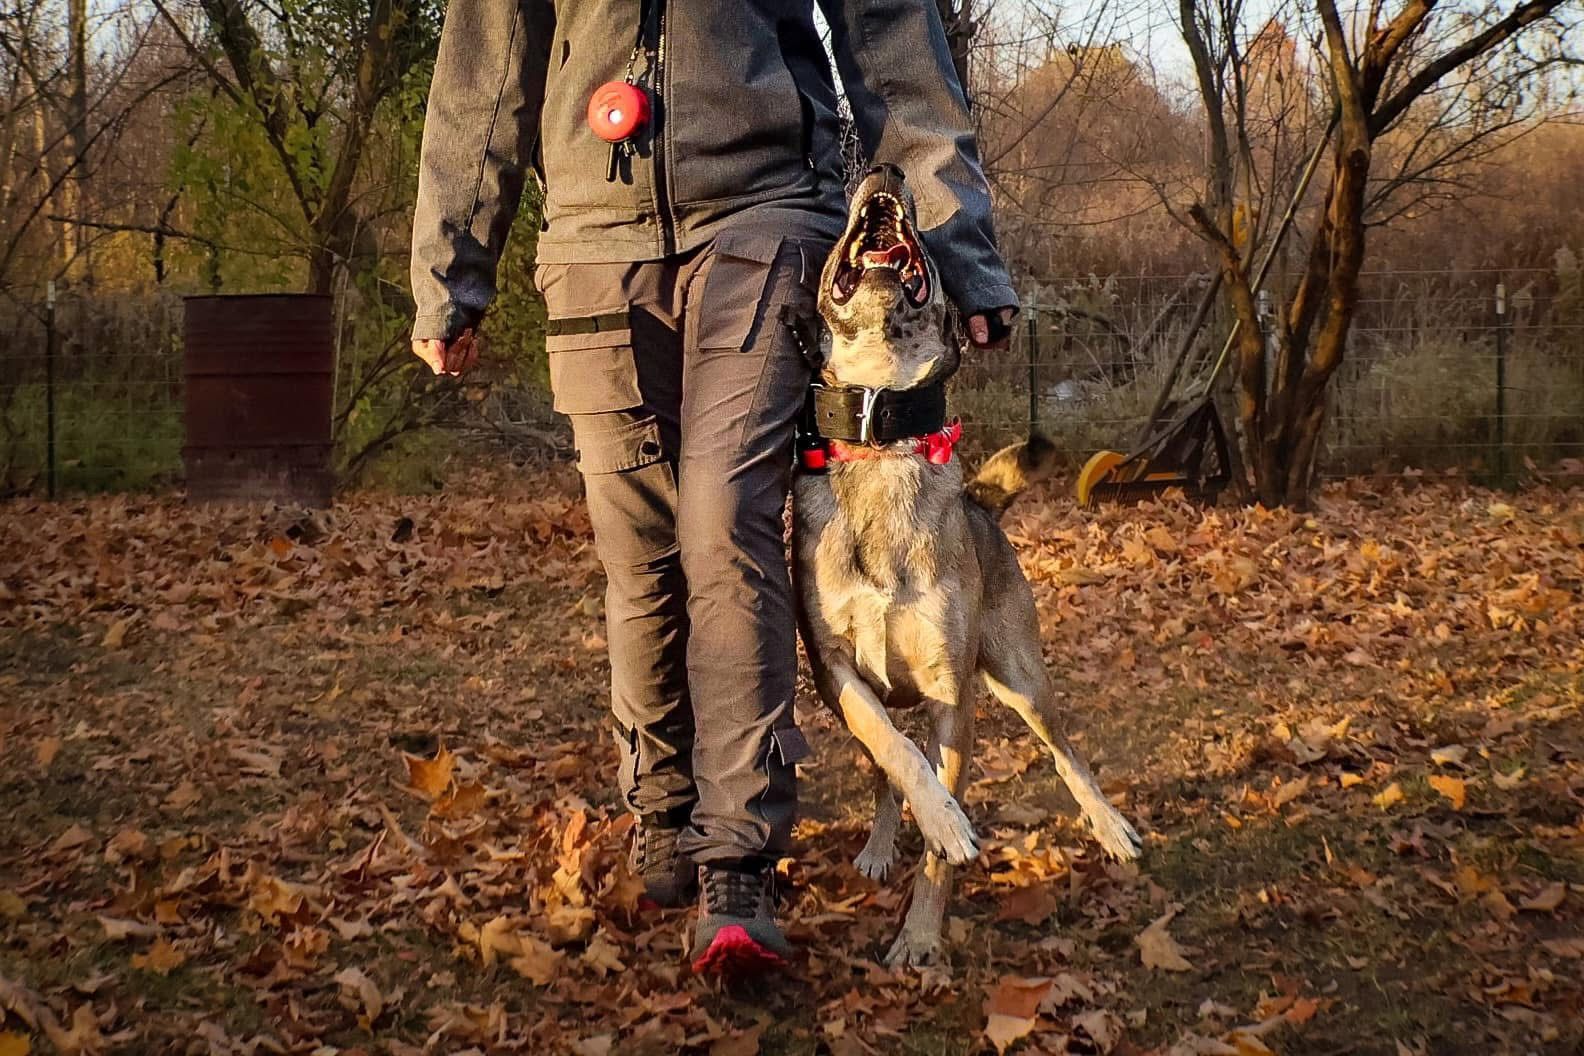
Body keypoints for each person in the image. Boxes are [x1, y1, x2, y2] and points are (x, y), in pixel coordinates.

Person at [409, 0, 1015, 977]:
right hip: (593, 239)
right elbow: (487, 60)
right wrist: (451, 268)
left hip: (765, 214)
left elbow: (895, 37)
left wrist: (958, 248)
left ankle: (739, 854)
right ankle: (666, 806)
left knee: (722, 524)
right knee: (638, 549)